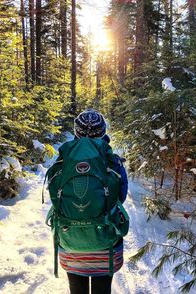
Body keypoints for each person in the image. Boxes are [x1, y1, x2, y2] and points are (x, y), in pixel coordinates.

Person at [57, 110, 128, 294]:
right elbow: (121, 196)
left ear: (76, 132)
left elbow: (55, 196)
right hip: (105, 242)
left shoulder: (64, 159)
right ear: (103, 132)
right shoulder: (112, 161)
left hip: (70, 242)